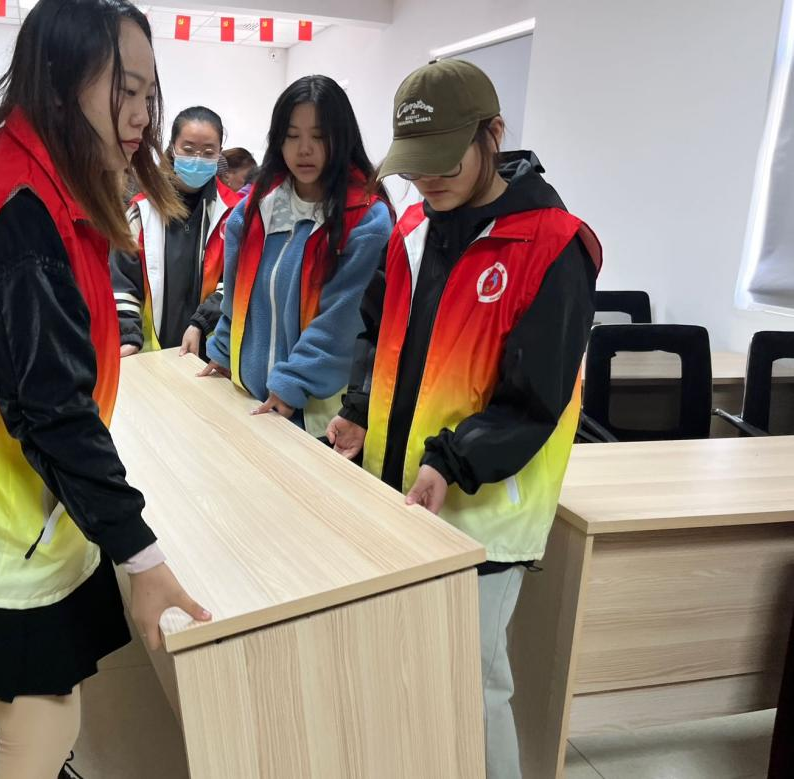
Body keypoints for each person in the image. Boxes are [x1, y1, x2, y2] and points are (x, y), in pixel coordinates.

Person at [0, 2, 209, 777]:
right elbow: (52, 411)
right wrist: (141, 555)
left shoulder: (43, 174)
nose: (140, 116)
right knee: (37, 733)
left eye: (148, 94)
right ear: (62, 81)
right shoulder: (16, 213)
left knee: (51, 720)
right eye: (124, 91)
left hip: (8, 508)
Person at [325, 60, 601, 779]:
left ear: (493, 134)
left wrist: (452, 460)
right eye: (414, 165)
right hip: (398, 491)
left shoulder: (554, 244)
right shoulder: (413, 228)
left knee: (472, 685)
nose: (428, 180)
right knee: (406, 669)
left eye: (445, 160)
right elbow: (377, 335)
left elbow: (534, 399)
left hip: (483, 510)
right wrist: (356, 410)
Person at [201, 75, 392, 436]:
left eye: (319, 136)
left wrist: (292, 384)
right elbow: (236, 295)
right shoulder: (255, 208)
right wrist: (223, 349)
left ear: (342, 138)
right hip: (251, 400)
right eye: (292, 136)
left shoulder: (365, 219)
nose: (304, 149)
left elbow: (342, 322)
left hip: (315, 418)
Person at [110, 106, 242, 359]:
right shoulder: (143, 211)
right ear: (172, 148)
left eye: (208, 152)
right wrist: (128, 335)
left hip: (212, 356)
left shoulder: (234, 213)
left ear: (219, 154)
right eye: (188, 149)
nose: (197, 159)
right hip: (150, 355)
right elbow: (122, 281)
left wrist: (201, 323)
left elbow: (238, 280)